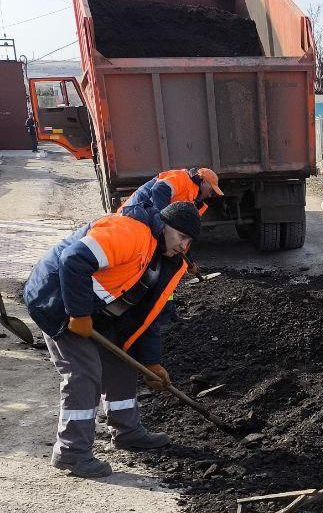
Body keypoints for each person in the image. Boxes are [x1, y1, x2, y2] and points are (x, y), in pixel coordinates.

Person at [23, 201, 201, 479]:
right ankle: (72, 453)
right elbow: (73, 259)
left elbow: (149, 317)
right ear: (165, 226)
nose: (183, 247)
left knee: (121, 361)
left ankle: (127, 432)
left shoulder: (164, 263)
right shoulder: (130, 233)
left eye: (189, 241)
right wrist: (78, 315)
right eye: (181, 237)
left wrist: (151, 363)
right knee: (84, 373)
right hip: (58, 299)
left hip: (98, 310)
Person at [121, 166, 222, 218]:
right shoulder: (183, 178)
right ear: (204, 182)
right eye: (211, 191)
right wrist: (164, 220)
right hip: (135, 209)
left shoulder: (193, 191)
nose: (210, 195)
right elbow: (159, 189)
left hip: (141, 211)